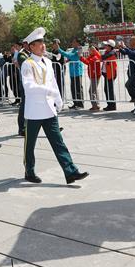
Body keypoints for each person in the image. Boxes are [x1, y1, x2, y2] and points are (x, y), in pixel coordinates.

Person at [20, 27, 89, 184]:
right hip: (34, 111)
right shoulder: (27, 64)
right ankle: (29, 171)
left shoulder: (48, 62)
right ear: (31, 47)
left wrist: (58, 99)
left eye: (43, 42)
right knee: (29, 145)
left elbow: (54, 83)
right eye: (38, 43)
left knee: (58, 142)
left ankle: (70, 171)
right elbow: (28, 87)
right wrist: (48, 91)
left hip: (49, 109)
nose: (43, 46)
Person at [119, 36, 135, 115]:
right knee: (134, 87)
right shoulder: (132, 49)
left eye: (131, 41)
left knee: (128, 85)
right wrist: (121, 47)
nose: (129, 42)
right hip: (130, 70)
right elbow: (124, 52)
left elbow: (132, 53)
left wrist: (125, 47)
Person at [59, 39, 86, 109]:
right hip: (72, 72)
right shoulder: (73, 49)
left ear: (77, 43)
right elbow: (70, 57)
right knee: (73, 88)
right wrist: (67, 60)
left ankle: (80, 104)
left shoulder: (79, 49)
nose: (72, 43)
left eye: (73, 42)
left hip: (77, 72)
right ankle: (75, 103)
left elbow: (71, 55)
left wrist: (59, 49)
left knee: (78, 88)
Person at [80, 44, 102, 111]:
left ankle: (95, 105)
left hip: (95, 75)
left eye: (90, 50)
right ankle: (96, 105)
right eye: (89, 49)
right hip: (93, 75)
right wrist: (81, 58)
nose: (89, 51)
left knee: (91, 91)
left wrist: (81, 57)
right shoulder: (91, 56)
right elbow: (87, 61)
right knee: (94, 90)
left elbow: (88, 62)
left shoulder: (95, 56)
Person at [101, 40, 119, 111]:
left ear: (110, 46)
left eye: (107, 45)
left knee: (110, 90)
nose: (105, 46)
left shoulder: (112, 53)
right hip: (107, 74)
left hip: (110, 74)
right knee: (107, 89)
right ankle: (109, 104)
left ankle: (112, 105)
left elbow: (102, 57)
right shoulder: (107, 52)